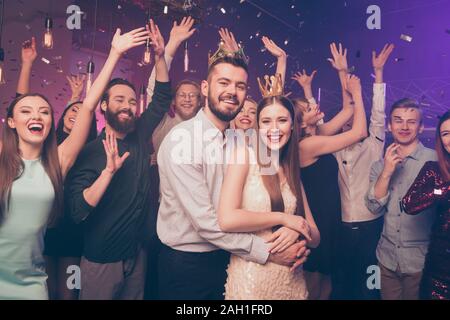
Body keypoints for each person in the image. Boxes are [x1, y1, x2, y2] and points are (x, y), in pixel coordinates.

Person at [156, 38, 309, 300]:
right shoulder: (182, 141)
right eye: (223, 83)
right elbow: (206, 224)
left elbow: (274, 116)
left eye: (240, 86)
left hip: (233, 260)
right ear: (205, 87)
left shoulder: (245, 140)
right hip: (188, 266)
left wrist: (294, 233)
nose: (232, 92)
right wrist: (270, 251)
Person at [0, 25, 133, 297]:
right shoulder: (3, 157)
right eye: (27, 111)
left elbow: (87, 106)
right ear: (12, 122)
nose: (36, 116)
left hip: (32, 281)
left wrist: (114, 54)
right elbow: (19, 104)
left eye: (44, 112)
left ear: (52, 121)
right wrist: (26, 64)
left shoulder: (58, 161)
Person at [65, 20, 170, 300]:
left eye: (132, 102)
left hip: (137, 254)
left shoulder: (138, 134)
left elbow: (161, 99)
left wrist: (160, 56)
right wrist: (108, 172)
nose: (127, 106)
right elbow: (77, 210)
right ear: (104, 106)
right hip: (102, 259)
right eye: (119, 100)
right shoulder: (90, 151)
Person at [219, 92, 320, 300]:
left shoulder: (290, 169)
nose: (274, 129)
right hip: (252, 282)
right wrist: (284, 218)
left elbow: (316, 238)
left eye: (282, 120)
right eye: (266, 121)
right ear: (258, 126)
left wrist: (298, 230)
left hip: (291, 282)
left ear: (292, 126)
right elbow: (227, 219)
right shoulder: (244, 156)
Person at [293, 43, 368, 300]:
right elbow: (359, 132)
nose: (315, 107)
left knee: (327, 283)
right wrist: (358, 93)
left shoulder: (318, 134)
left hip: (330, 215)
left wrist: (342, 72)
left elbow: (347, 110)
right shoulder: (307, 145)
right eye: (309, 108)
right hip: (318, 219)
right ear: (301, 123)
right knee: (313, 285)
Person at [333, 44, 394, 300]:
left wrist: (378, 73)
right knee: (343, 285)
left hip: (371, 225)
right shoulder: (333, 150)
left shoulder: (373, 144)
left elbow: (377, 115)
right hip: (342, 227)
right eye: (345, 123)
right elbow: (346, 107)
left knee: (370, 287)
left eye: (353, 122)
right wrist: (343, 73)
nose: (349, 125)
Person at [366, 98, 437, 300]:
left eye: (411, 121)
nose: (404, 126)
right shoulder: (379, 166)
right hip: (387, 259)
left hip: (422, 261)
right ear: (389, 126)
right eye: (398, 120)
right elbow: (373, 207)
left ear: (421, 127)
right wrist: (387, 172)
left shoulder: (435, 161)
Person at [43, 75, 98, 300]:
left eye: (80, 112)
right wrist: (74, 98)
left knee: (69, 292)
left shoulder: (91, 151)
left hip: (74, 232)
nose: (75, 115)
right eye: (71, 111)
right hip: (46, 227)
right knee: (47, 290)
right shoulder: (49, 144)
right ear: (63, 116)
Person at [401, 110, 450, 300]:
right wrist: (443, 190)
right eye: (446, 134)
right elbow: (409, 203)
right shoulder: (433, 169)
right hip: (439, 270)